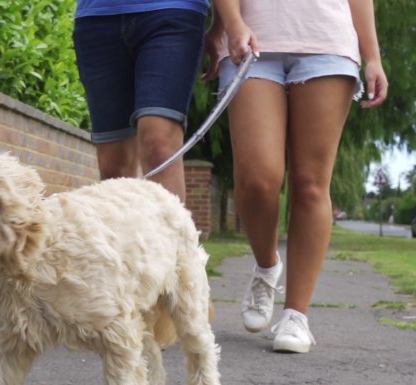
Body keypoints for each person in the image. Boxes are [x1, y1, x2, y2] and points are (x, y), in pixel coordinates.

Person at [204, 0, 388, 353]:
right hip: (251, 38)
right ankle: (267, 265)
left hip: (328, 42)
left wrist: (373, 56)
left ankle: (295, 315)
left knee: (310, 184)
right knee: (257, 180)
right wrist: (229, 24)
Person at [72, 0, 211, 202]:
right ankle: (126, 233)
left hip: (173, 12)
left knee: (159, 145)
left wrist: (227, 25)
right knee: (114, 169)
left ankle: (171, 233)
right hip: (96, 17)